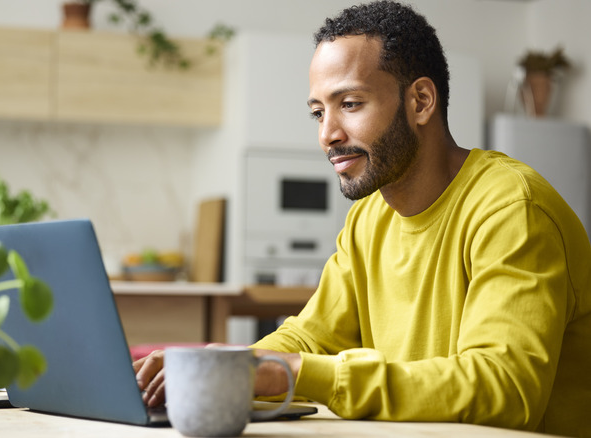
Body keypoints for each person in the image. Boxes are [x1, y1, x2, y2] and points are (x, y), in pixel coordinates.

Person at [133, 1, 591, 436]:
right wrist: (223, 368)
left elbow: (504, 387)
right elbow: (311, 338)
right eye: (318, 112)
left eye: (349, 104)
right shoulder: (370, 217)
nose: (328, 135)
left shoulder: (512, 208)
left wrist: (291, 374)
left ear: (421, 102)